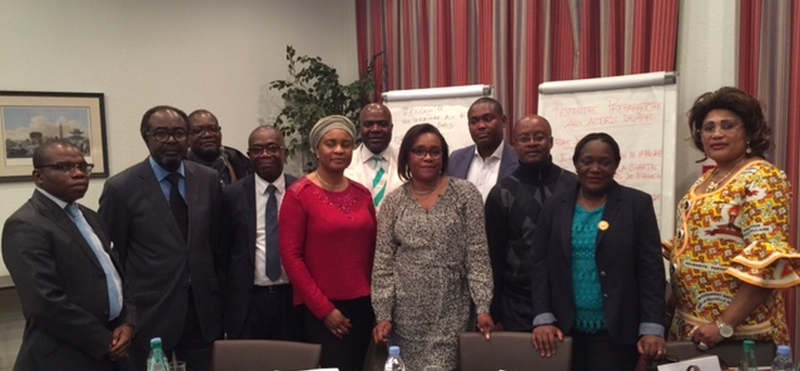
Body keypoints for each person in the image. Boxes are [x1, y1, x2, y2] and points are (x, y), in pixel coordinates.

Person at [665, 87, 800, 348]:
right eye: (708, 127)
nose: (717, 134)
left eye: (728, 126)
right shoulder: (708, 177)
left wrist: (723, 325)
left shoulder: (762, 178)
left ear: (749, 132)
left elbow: (766, 261)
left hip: (739, 333)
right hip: (691, 326)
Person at [99, 105, 223, 371]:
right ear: (146, 137)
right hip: (150, 312)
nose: (171, 140)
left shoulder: (208, 179)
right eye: (161, 134)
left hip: (202, 311)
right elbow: (112, 258)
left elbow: (214, 242)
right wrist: (123, 316)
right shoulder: (121, 188)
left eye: (179, 133)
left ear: (188, 137)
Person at [531, 133, 665, 371]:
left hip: (617, 331)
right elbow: (540, 263)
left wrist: (652, 327)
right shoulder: (554, 204)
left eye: (604, 162)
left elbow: (651, 271)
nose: (595, 168)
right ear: (576, 163)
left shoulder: (637, 205)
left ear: (616, 165)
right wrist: (543, 317)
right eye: (587, 161)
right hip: (563, 331)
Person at [2, 139, 135, 371]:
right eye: (64, 167)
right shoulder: (25, 225)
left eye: (83, 167)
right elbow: (44, 304)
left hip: (111, 348)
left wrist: (128, 323)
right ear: (38, 177)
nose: (78, 174)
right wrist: (104, 341)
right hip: (64, 356)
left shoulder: (91, 216)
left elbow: (116, 277)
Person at [371, 123, 494, 371]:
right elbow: (383, 264)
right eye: (419, 151)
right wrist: (383, 314)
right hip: (405, 318)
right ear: (407, 157)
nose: (427, 157)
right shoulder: (393, 203)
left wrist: (483, 306)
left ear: (443, 157)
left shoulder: (466, 195)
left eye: (434, 151)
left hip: (451, 311)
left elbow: (478, 256)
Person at [280, 115, 377, 371]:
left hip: (365, 305)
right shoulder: (299, 195)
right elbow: (291, 257)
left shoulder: (362, 194)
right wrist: (325, 311)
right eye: (330, 143)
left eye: (346, 144)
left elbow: (373, 251)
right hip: (322, 310)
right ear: (316, 149)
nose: (339, 150)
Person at [484, 114, 577, 332]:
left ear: (551, 142)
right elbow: (493, 258)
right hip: (517, 302)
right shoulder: (501, 193)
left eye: (539, 137)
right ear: (514, 145)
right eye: (524, 139)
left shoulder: (573, 186)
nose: (532, 143)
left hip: (570, 297)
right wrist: (493, 311)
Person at [221, 125, 304, 341]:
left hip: (293, 300)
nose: (265, 154)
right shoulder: (231, 195)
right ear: (249, 156)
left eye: (272, 148)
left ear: (284, 152)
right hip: (249, 302)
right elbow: (222, 251)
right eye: (257, 149)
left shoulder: (302, 190)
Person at [447, 97, 519, 200]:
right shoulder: (456, 159)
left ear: (503, 121)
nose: (481, 126)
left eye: (487, 119)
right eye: (474, 121)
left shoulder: (519, 160)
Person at [344, 103, 403, 210]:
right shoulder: (344, 163)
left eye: (383, 124)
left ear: (391, 128)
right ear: (360, 128)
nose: (375, 129)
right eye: (368, 124)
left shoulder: (406, 163)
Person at [186, 109, 252, 186]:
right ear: (187, 136)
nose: (207, 135)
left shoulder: (238, 161)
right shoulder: (181, 167)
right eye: (198, 131)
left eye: (213, 129)